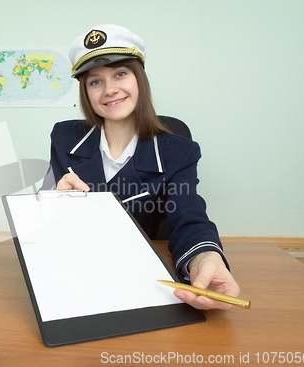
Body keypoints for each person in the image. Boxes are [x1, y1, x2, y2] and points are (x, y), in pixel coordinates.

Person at [48, 24, 240, 310]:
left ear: (140, 79)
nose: (109, 89)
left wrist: (205, 258)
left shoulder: (179, 152)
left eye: (120, 74)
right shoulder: (65, 138)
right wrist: (54, 204)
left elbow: (189, 215)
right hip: (82, 279)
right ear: (86, 92)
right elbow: (56, 229)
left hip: (141, 281)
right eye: (94, 81)